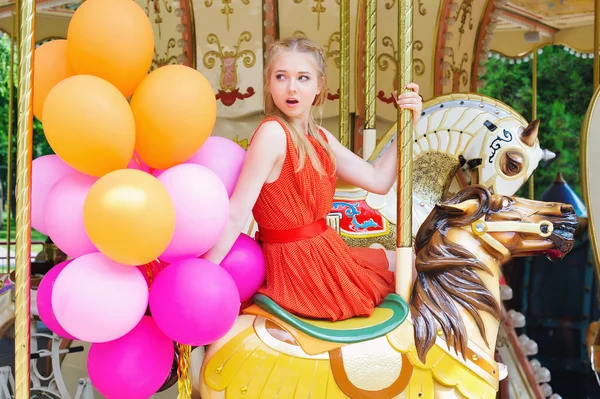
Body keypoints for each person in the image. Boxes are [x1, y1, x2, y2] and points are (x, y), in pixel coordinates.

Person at [203, 37, 422, 321]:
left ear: (319, 86)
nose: (291, 87)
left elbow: (378, 180)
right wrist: (205, 272)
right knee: (408, 268)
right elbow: (236, 213)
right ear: (269, 83)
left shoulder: (319, 138)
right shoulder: (273, 134)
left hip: (324, 251)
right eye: (281, 77)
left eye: (302, 78)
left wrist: (408, 125)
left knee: (412, 264)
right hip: (297, 265)